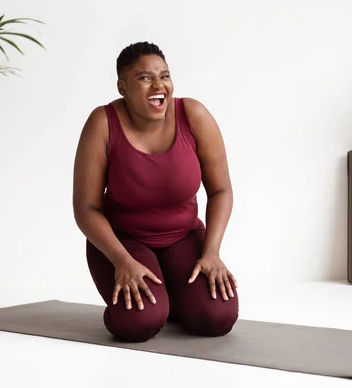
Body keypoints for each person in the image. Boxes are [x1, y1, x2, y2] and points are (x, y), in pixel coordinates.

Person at [72, 42, 238, 343]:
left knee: (217, 317)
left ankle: (172, 300)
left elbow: (221, 190)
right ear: (122, 86)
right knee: (138, 323)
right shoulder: (103, 123)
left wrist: (212, 252)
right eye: (145, 78)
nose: (159, 85)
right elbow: (86, 209)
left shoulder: (193, 115)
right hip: (121, 243)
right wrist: (121, 260)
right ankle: (151, 305)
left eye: (165, 75)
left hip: (184, 237)